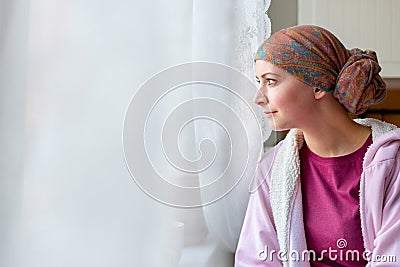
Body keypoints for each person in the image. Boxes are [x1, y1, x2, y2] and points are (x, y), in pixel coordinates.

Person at [235, 25, 400, 266]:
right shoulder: (272, 169)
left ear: (318, 85)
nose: (258, 98)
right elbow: (255, 259)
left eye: (270, 81)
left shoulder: (391, 162)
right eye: (259, 82)